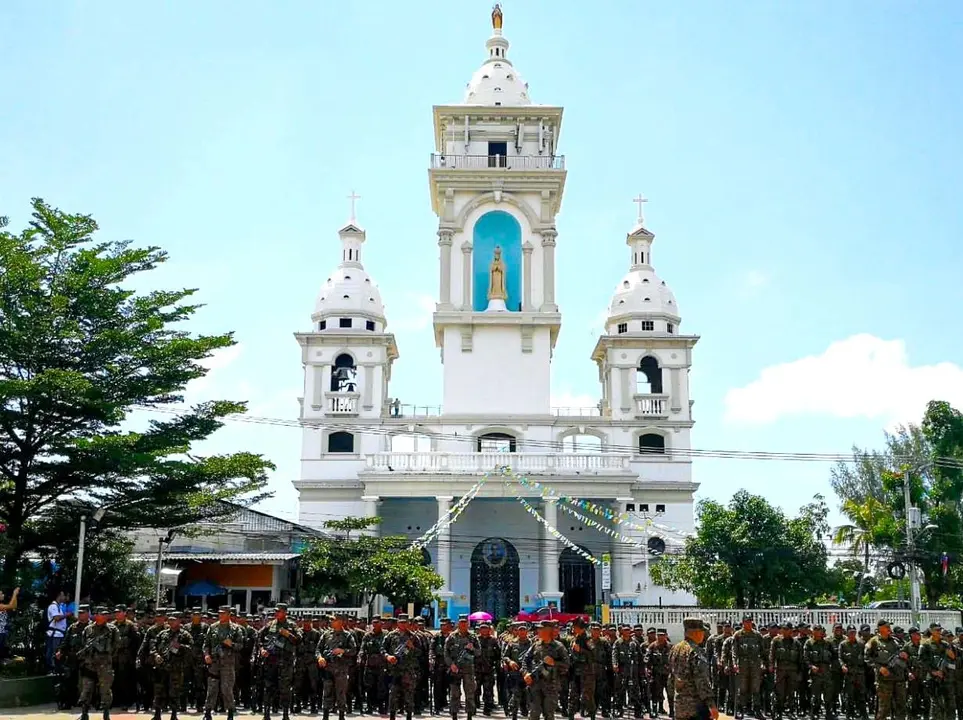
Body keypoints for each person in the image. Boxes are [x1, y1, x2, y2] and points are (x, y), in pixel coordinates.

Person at [668, 618, 718, 720]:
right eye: (702, 632)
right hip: (696, 707)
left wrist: (673, 697)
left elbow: (671, 678)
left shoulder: (675, 649)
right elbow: (702, 681)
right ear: (695, 633)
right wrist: (711, 705)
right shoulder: (695, 652)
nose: (704, 635)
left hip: (679, 705)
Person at [46, 589, 68, 670]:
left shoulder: (59, 606)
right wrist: (67, 615)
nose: (64, 597)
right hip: (54, 634)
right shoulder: (53, 606)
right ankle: (51, 669)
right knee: (53, 652)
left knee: (58, 652)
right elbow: (56, 618)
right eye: (63, 595)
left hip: (59, 634)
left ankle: (57, 669)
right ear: (59, 596)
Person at [0, 587, 19, 656]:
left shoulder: (2, 605)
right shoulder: (0, 606)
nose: (3, 595)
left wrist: (15, 595)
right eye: (1, 594)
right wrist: (14, 594)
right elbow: (11, 606)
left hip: (2, 632)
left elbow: (14, 606)